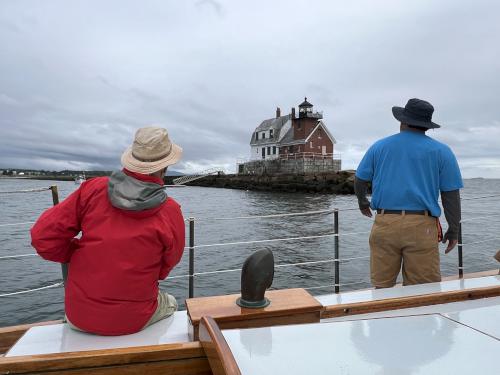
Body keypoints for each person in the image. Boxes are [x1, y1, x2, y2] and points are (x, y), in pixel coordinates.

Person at [31, 126, 185, 335]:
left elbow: (43, 238)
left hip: (79, 316)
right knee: (172, 302)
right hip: (134, 319)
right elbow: (167, 266)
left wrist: (76, 253)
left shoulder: (93, 189)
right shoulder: (170, 211)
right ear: (165, 166)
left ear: (132, 157)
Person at [355, 98, 463, 288]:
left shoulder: (379, 146)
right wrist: (454, 229)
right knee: (423, 291)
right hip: (422, 226)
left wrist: (363, 202)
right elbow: (450, 196)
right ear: (426, 126)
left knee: (381, 289)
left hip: (385, 223)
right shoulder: (443, 151)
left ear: (402, 121)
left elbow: (360, 180)